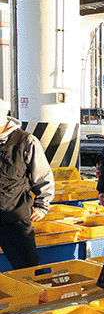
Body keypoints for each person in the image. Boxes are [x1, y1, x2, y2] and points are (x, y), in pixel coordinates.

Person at [0, 98, 55, 270]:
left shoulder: (26, 141)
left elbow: (43, 176)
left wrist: (42, 206)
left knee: (28, 269)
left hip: (14, 218)